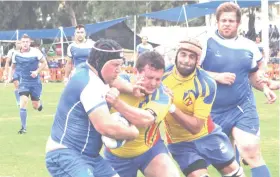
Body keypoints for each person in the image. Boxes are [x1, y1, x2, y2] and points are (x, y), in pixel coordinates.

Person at [45, 39, 146, 177]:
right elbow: (105, 127)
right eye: (115, 65)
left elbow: (115, 79)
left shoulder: (87, 70)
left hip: (89, 157)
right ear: (99, 61)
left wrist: (131, 88)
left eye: (120, 65)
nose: (119, 70)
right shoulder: (89, 85)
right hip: (65, 154)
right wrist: (133, 132)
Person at [199, 2, 276, 177]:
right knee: (225, 160)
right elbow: (191, 72)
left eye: (231, 21)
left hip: (242, 107)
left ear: (238, 23)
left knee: (250, 151)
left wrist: (264, 87)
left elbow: (253, 75)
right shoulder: (205, 43)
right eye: (223, 20)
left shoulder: (249, 46)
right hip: (212, 110)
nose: (227, 23)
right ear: (217, 22)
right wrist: (216, 76)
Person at [162, 39, 244, 177]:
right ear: (176, 55)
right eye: (183, 54)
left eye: (192, 57)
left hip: (208, 136)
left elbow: (196, 127)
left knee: (234, 173)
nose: (186, 60)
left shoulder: (206, 83)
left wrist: (171, 107)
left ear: (197, 60)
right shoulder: (161, 77)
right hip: (180, 142)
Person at [104, 51, 180, 177]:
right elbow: (105, 78)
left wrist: (117, 103)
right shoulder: (119, 82)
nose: (154, 83)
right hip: (116, 156)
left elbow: (145, 120)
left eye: (158, 79)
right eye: (149, 77)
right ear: (136, 72)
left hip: (150, 151)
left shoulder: (163, 95)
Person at [6, 34, 47, 134]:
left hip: (35, 82)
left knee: (35, 106)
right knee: (23, 103)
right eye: (23, 42)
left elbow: (44, 63)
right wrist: (9, 77)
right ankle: (23, 128)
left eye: (27, 42)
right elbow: (13, 66)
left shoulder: (36, 52)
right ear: (20, 43)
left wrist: (36, 72)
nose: (25, 44)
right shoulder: (16, 54)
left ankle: (39, 104)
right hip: (24, 82)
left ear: (30, 43)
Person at [3, 40, 21, 106]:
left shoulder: (24, 51)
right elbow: (7, 62)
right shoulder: (11, 51)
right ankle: (18, 100)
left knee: (22, 86)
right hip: (14, 70)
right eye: (18, 43)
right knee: (17, 84)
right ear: (15, 44)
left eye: (20, 43)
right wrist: (6, 71)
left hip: (23, 70)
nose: (19, 44)